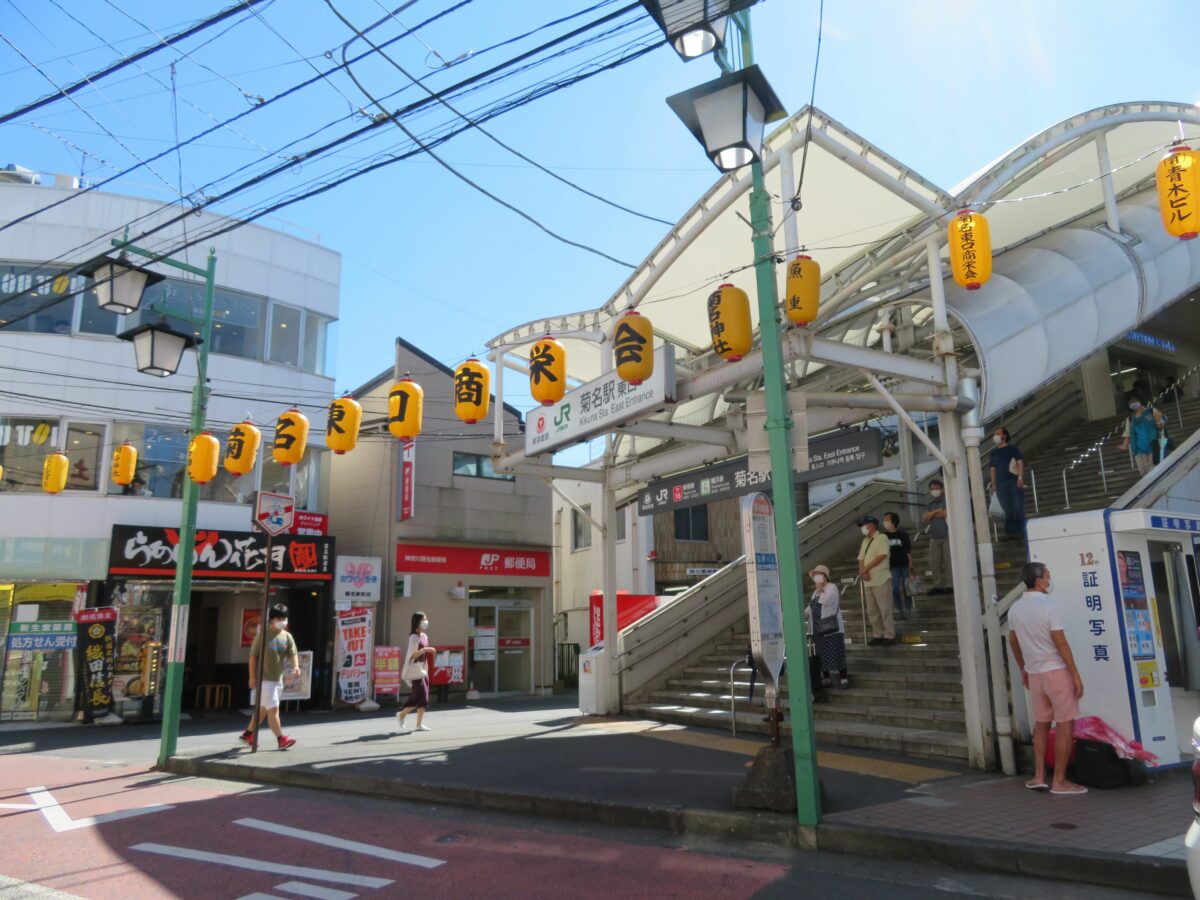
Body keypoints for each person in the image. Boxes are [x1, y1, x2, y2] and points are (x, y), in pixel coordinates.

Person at [1007, 562, 1087, 796]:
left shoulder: (1015, 609)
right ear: (1039, 580)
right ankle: (1059, 781)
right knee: (1065, 724)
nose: (1050, 580)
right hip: (1056, 672)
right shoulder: (1048, 606)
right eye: (1048, 576)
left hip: (1034, 674)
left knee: (1041, 724)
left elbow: (1013, 642)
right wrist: (1075, 674)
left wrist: (1024, 668)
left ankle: (1039, 776)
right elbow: (1060, 642)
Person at [239, 604, 299, 750]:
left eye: (284, 618)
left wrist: (296, 666)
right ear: (272, 619)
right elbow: (253, 656)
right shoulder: (263, 636)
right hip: (264, 680)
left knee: (262, 711)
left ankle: (247, 734)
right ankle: (281, 739)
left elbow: (293, 654)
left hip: (277, 679)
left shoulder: (287, 636)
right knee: (273, 710)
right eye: (279, 618)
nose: (282, 621)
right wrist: (252, 677)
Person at [806, 564, 848, 688]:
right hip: (819, 629)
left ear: (825, 576)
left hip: (832, 628)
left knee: (837, 652)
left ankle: (843, 678)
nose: (816, 577)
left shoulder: (832, 587)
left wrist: (821, 588)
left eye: (818, 574)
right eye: (815, 575)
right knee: (822, 655)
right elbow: (810, 607)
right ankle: (826, 678)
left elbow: (825, 601)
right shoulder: (815, 592)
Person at [856, 516, 894, 646]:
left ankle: (889, 635)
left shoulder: (882, 538)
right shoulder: (865, 541)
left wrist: (865, 568)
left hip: (880, 578)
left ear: (872, 525)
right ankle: (877, 634)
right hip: (868, 580)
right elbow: (861, 558)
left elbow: (882, 555)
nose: (863, 528)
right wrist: (863, 571)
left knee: (885, 608)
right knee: (872, 610)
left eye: (864, 525)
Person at [397, 611, 436, 733]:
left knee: (424, 699)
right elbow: (413, 655)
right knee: (420, 696)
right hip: (416, 671)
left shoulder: (424, 636)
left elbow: (424, 657)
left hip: (423, 670)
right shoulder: (414, 637)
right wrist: (426, 649)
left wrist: (427, 667)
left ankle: (418, 724)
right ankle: (402, 714)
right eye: (424, 619)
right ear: (418, 622)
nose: (426, 621)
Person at [989, 427, 1026, 541]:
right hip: (1001, 484)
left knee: (1017, 506)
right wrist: (993, 483)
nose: (995, 436)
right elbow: (992, 469)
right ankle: (1010, 532)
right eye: (995, 434)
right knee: (1006, 509)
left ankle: (1021, 530)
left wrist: (1020, 477)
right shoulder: (993, 453)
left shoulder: (1012, 449)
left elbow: (1020, 462)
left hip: (1013, 480)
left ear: (1004, 436)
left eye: (998, 433)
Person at [1118, 395, 1164, 476]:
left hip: (1153, 446)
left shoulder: (1151, 411)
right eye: (1131, 403)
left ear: (1140, 402)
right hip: (1138, 450)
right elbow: (1128, 433)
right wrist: (1125, 444)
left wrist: (1158, 421)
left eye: (1135, 401)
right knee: (1143, 472)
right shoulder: (1130, 419)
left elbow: (1161, 425)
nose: (1133, 404)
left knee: (1152, 469)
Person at [920, 479, 951, 594]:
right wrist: (936, 512)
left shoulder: (947, 500)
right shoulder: (930, 504)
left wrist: (932, 514)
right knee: (934, 563)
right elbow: (924, 517)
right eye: (932, 489)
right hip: (934, 537)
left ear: (942, 489)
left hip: (947, 536)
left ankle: (950, 585)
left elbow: (945, 513)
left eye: (937, 488)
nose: (934, 490)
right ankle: (938, 585)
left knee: (948, 562)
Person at [882, 511, 913, 620]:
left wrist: (910, 563)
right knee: (895, 589)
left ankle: (908, 609)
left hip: (904, 564)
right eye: (884, 520)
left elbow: (908, 550)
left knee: (907, 588)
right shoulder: (884, 536)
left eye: (887, 519)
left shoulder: (903, 534)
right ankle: (900, 610)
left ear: (894, 521)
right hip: (892, 566)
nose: (885, 522)